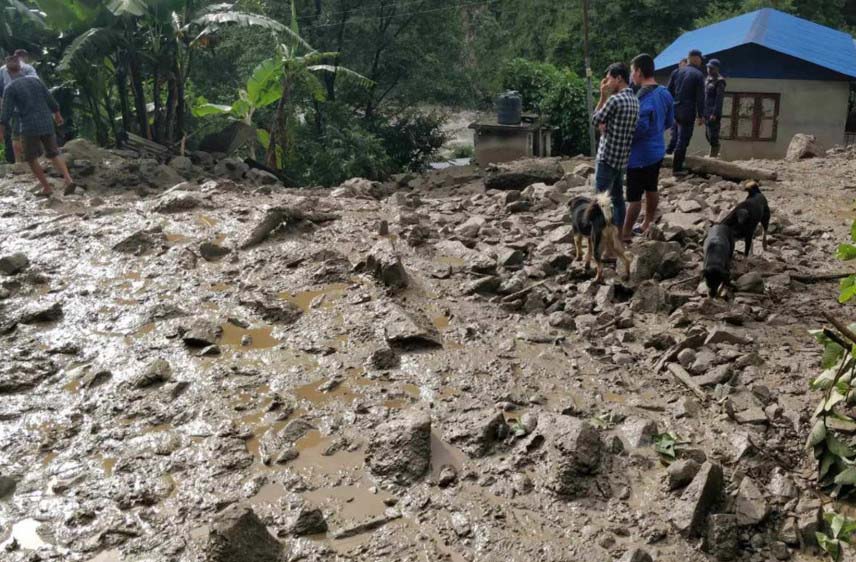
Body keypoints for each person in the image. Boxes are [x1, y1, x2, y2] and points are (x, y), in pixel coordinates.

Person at [0, 56, 73, 197]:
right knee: (54, 153)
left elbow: (6, 113)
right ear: (21, 68)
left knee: (31, 158)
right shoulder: (36, 81)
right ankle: (68, 179)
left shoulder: (10, 88)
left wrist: (1, 131)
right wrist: (57, 115)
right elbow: (50, 100)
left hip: (29, 126)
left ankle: (46, 187)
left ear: (7, 72)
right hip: (46, 122)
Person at [623, 54, 674, 241]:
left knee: (634, 197)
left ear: (638, 71)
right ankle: (648, 223)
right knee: (651, 188)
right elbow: (669, 121)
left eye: (631, 71)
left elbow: (640, 129)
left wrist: (623, 135)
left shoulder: (642, 98)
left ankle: (625, 233)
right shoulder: (665, 93)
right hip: (657, 150)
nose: (631, 76)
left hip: (639, 155)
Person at [591, 62, 639, 230]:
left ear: (619, 78)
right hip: (621, 159)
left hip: (607, 157)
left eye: (609, 78)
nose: (607, 82)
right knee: (618, 199)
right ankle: (618, 235)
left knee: (601, 201)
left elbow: (595, 120)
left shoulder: (614, 100)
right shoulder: (634, 100)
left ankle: (601, 237)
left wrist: (602, 96)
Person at [667, 49, 705, 175]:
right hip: (687, 111)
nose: (701, 61)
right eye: (700, 59)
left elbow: (669, 92)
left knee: (676, 137)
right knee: (683, 139)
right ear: (696, 58)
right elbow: (700, 97)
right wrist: (701, 115)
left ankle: (676, 163)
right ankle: (677, 168)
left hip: (675, 109)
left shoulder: (676, 72)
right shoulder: (698, 75)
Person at [0, 50, 38, 164]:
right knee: (33, 132)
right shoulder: (28, 68)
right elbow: (36, 83)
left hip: (11, 107)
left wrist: (2, 105)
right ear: (24, 57)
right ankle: (33, 160)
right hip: (28, 106)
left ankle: (18, 162)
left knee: (15, 135)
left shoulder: (1, 69)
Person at [704, 58, 727, 158]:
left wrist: (715, 113)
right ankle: (713, 152)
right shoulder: (708, 80)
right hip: (706, 112)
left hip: (713, 113)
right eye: (708, 68)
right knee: (707, 134)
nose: (709, 70)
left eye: (711, 68)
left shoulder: (720, 82)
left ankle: (714, 155)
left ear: (717, 69)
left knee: (713, 135)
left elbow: (719, 100)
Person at [665, 58, 686, 155]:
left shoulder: (690, 74)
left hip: (685, 108)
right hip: (675, 105)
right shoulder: (676, 73)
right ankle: (669, 152)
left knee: (681, 134)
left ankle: (674, 153)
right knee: (674, 133)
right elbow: (669, 88)